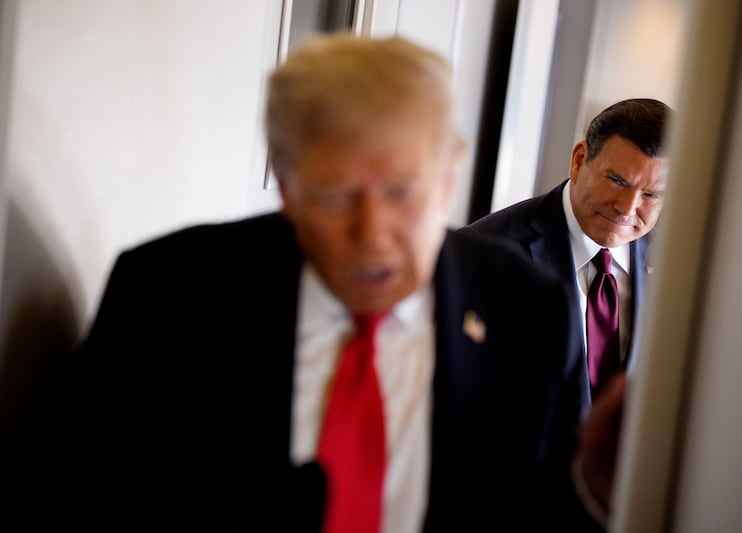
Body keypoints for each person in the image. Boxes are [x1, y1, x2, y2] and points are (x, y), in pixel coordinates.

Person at [9, 34, 618, 532]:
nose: (373, 232)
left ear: (449, 173)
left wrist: (596, 489)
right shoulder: (167, 293)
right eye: (334, 196)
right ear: (289, 183)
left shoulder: (528, 311)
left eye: (403, 192)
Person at [466, 98, 671, 402]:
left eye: (651, 194)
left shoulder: (676, 265)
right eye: (616, 181)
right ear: (579, 160)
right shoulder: (482, 254)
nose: (627, 208)